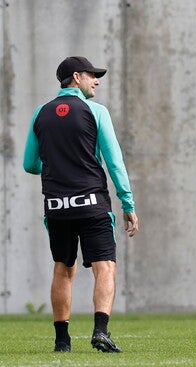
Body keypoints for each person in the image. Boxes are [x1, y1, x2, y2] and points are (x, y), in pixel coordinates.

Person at [23, 56, 139, 353]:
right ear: (76, 77)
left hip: (57, 205)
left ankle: (62, 341)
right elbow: (114, 162)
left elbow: (29, 164)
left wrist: (56, 165)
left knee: (64, 268)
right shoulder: (95, 111)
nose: (96, 80)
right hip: (91, 203)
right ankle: (100, 331)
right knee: (105, 267)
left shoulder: (41, 112)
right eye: (92, 76)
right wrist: (128, 202)